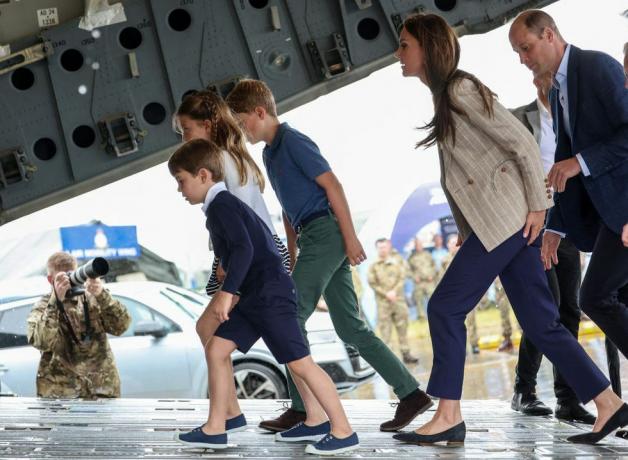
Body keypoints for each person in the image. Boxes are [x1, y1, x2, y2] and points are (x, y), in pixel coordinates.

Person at [392, 12, 625, 446]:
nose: (398, 54)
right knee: (542, 324)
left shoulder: (461, 88)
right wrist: (467, 227)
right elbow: (465, 176)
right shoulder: (445, 96)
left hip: (507, 223)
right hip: (498, 224)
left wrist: (539, 208)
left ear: (427, 46)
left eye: (404, 45)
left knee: (444, 308)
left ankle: (448, 413)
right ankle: (609, 403)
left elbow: (519, 142)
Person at [226, 79, 433, 433]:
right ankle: (411, 394)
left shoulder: (293, 141)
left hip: (327, 232)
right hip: (311, 237)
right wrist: (289, 256)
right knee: (349, 325)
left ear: (260, 112)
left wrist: (350, 239)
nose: (241, 130)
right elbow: (289, 212)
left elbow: (332, 185)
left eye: (242, 121)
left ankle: (304, 408)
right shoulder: (269, 153)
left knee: (288, 315)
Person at [169, 139, 359, 455]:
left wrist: (225, 294)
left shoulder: (222, 206)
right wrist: (227, 273)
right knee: (216, 350)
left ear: (203, 175)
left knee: (301, 364)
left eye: (181, 181)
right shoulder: (221, 207)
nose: (180, 189)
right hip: (255, 296)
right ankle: (216, 428)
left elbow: (245, 248)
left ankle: (343, 430)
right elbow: (247, 248)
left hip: (269, 297)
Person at [510, 10, 628, 438]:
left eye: (526, 48)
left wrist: (580, 162)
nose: (524, 59)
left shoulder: (595, 67)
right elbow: (561, 161)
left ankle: (610, 407)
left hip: (622, 211)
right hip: (603, 218)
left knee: (595, 296)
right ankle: (612, 408)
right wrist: (556, 225)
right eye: (518, 53)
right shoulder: (560, 88)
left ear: (550, 34)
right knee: (610, 300)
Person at [509, 72, 594, 424]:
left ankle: (568, 400)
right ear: (535, 82)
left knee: (570, 308)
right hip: (533, 223)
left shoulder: (573, 121)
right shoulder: (518, 119)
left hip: (566, 223)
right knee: (549, 306)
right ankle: (524, 390)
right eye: (544, 79)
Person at [173, 90, 290, 296]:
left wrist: (228, 261)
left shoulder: (223, 160)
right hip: (256, 245)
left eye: (186, 129)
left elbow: (242, 212)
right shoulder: (232, 157)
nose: (184, 138)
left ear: (207, 126)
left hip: (252, 247)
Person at [26, 252, 131, 398]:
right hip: (61, 396)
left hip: (101, 391)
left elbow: (121, 326)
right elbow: (41, 342)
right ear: (50, 279)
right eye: (63, 277)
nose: (70, 280)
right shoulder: (44, 306)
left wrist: (102, 295)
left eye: (72, 274)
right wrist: (56, 302)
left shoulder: (94, 298)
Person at [367, 238, 418, 364]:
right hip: (383, 303)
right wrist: (386, 293)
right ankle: (389, 360)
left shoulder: (397, 261)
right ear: (377, 249)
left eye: (384, 247)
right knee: (385, 331)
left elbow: (402, 276)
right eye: (380, 247)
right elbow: (372, 283)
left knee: (403, 328)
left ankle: (406, 353)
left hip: (398, 300)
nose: (382, 249)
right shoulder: (374, 265)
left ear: (388, 247)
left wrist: (394, 291)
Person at [407, 237, 437, 320]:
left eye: (420, 244)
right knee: (419, 300)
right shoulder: (411, 258)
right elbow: (408, 271)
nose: (418, 246)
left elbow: (434, 266)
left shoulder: (428, 254)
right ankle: (421, 317)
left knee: (433, 299)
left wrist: (432, 275)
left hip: (429, 281)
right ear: (415, 246)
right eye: (417, 245)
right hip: (418, 283)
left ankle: (435, 315)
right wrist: (414, 277)